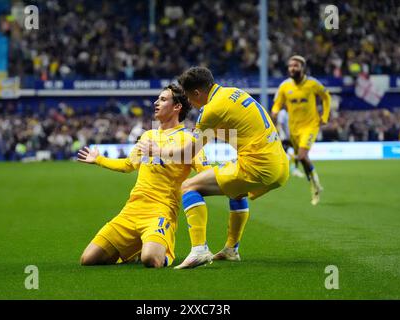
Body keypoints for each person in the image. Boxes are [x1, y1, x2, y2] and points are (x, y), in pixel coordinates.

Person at [139, 67, 289, 269]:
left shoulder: (211, 109)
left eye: (189, 97)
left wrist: (159, 150)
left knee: (189, 186)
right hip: (280, 164)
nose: (189, 103)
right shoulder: (233, 92)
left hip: (259, 166)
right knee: (236, 191)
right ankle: (231, 249)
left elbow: (189, 152)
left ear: (197, 93)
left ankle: (199, 249)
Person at [77, 84, 209, 268]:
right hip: (131, 210)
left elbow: (205, 173)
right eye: (158, 99)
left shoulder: (188, 140)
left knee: (151, 260)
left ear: (177, 107)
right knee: (88, 259)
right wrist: (98, 159)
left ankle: (161, 249)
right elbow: (128, 165)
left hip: (160, 212)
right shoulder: (148, 135)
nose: (156, 102)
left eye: (163, 99)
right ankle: (137, 247)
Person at [271, 55, 331, 205]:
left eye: (295, 66)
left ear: (302, 68)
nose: (292, 68)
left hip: (310, 126)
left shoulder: (312, 84)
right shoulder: (285, 86)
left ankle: (315, 188)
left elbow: (326, 97)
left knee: (303, 156)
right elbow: (277, 103)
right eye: (290, 66)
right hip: (294, 128)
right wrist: (275, 112)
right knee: (302, 160)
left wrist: (325, 116)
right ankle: (316, 185)